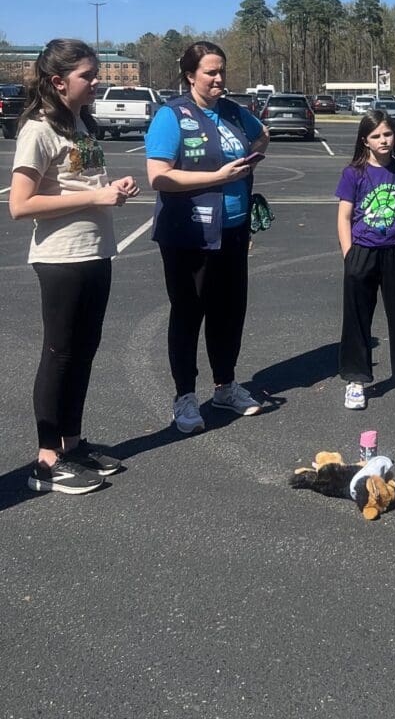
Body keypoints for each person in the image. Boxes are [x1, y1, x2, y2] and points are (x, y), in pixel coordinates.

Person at [10, 40, 139, 494]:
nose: (97, 81)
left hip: (96, 251)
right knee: (59, 353)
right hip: (61, 258)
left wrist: (112, 186)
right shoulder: (38, 129)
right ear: (59, 81)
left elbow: (80, 181)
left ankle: (72, 442)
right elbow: (21, 205)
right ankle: (46, 461)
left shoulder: (81, 124)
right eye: (88, 75)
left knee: (84, 351)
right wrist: (95, 196)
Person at [145, 41, 269, 434]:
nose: (219, 79)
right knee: (188, 313)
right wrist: (217, 177)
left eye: (222, 71)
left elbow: (262, 134)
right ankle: (184, 396)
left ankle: (225, 386)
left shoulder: (233, 112)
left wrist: (251, 157)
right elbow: (158, 176)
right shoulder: (172, 116)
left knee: (229, 312)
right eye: (211, 72)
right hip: (189, 236)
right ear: (190, 75)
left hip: (232, 230)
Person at [336, 110, 395, 410]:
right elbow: (344, 217)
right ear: (365, 140)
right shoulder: (354, 173)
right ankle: (356, 380)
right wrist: (350, 255)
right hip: (363, 251)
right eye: (376, 135)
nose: (383, 140)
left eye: (387, 134)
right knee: (358, 318)